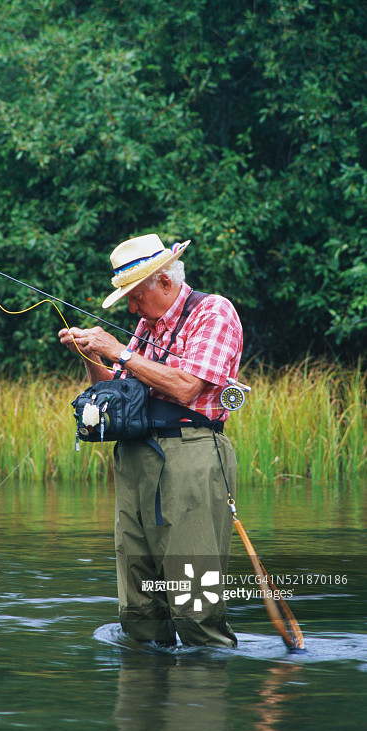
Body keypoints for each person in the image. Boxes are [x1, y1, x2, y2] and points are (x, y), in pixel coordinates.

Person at [59, 233, 243, 647]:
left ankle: (200, 693)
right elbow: (119, 396)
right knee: (139, 608)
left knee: (195, 600)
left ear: (163, 281)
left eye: (135, 295)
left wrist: (119, 350)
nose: (130, 307)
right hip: (137, 459)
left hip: (192, 456)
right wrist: (93, 355)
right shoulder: (146, 325)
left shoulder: (213, 312)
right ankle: (145, 687)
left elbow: (185, 388)